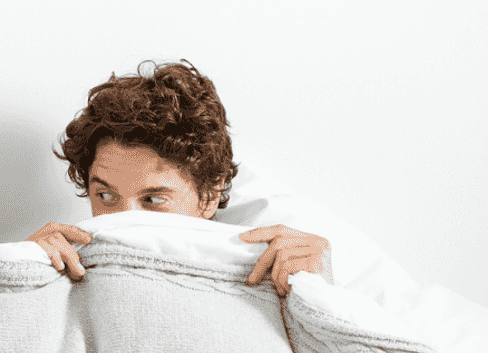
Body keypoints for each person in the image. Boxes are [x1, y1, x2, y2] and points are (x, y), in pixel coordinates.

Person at [26, 60, 333, 296]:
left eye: (154, 200)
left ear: (209, 197)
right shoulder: (66, 265)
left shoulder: (269, 273)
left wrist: (325, 295)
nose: (124, 222)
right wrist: (22, 280)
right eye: (106, 196)